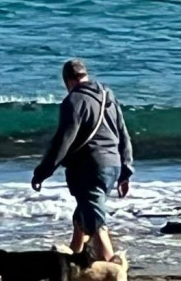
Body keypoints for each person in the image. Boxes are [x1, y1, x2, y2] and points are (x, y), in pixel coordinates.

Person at [31, 59, 133, 262]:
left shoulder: (74, 101)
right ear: (85, 74)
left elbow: (63, 141)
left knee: (97, 225)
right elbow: (123, 133)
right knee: (81, 217)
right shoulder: (107, 94)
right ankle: (72, 265)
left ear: (66, 80)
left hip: (89, 168)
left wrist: (42, 172)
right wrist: (126, 170)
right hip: (112, 165)